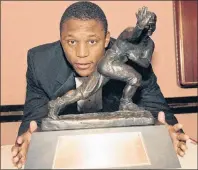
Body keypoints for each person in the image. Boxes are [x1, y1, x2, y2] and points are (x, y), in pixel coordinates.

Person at [11, 1, 189, 169]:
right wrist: (30, 140)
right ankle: (56, 104)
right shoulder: (40, 63)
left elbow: (158, 110)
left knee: (118, 82)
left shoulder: (133, 56)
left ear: (106, 40)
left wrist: (165, 132)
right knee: (82, 92)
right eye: (71, 42)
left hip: (118, 153)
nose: (82, 54)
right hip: (68, 155)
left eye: (92, 41)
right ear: (60, 39)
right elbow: (33, 119)